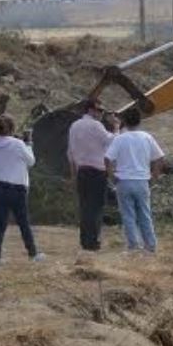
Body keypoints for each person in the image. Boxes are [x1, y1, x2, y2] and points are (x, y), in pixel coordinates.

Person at [105, 107, 166, 253]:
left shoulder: (120, 139)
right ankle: (150, 245)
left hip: (124, 181)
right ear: (139, 121)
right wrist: (154, 176)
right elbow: (160, 158)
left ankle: (133, 246)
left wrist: (112, 176)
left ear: (124, 122)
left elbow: (107, 159)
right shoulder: (147, 137)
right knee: (145, 214)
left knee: (128, 215)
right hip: (142, 181)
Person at [0, 115, 43, 261]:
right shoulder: (18, 144)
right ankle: (32, 253)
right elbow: (31, 161)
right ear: (12, 128)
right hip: (16, 187)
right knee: (23, 222)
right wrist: (28, 143)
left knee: (0, 223)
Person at [66, 97, 111, 251]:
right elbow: (111, 141)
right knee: (96, 207)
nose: (101, 113)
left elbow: (70, 152)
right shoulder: (96, 125)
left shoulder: (74, 126)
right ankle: (93, 241)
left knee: (85, 206)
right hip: (97, 171)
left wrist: (73, 174)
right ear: (91, 110)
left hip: (82, 170)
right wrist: (117, 128)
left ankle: (85, 240)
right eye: (100, 110)